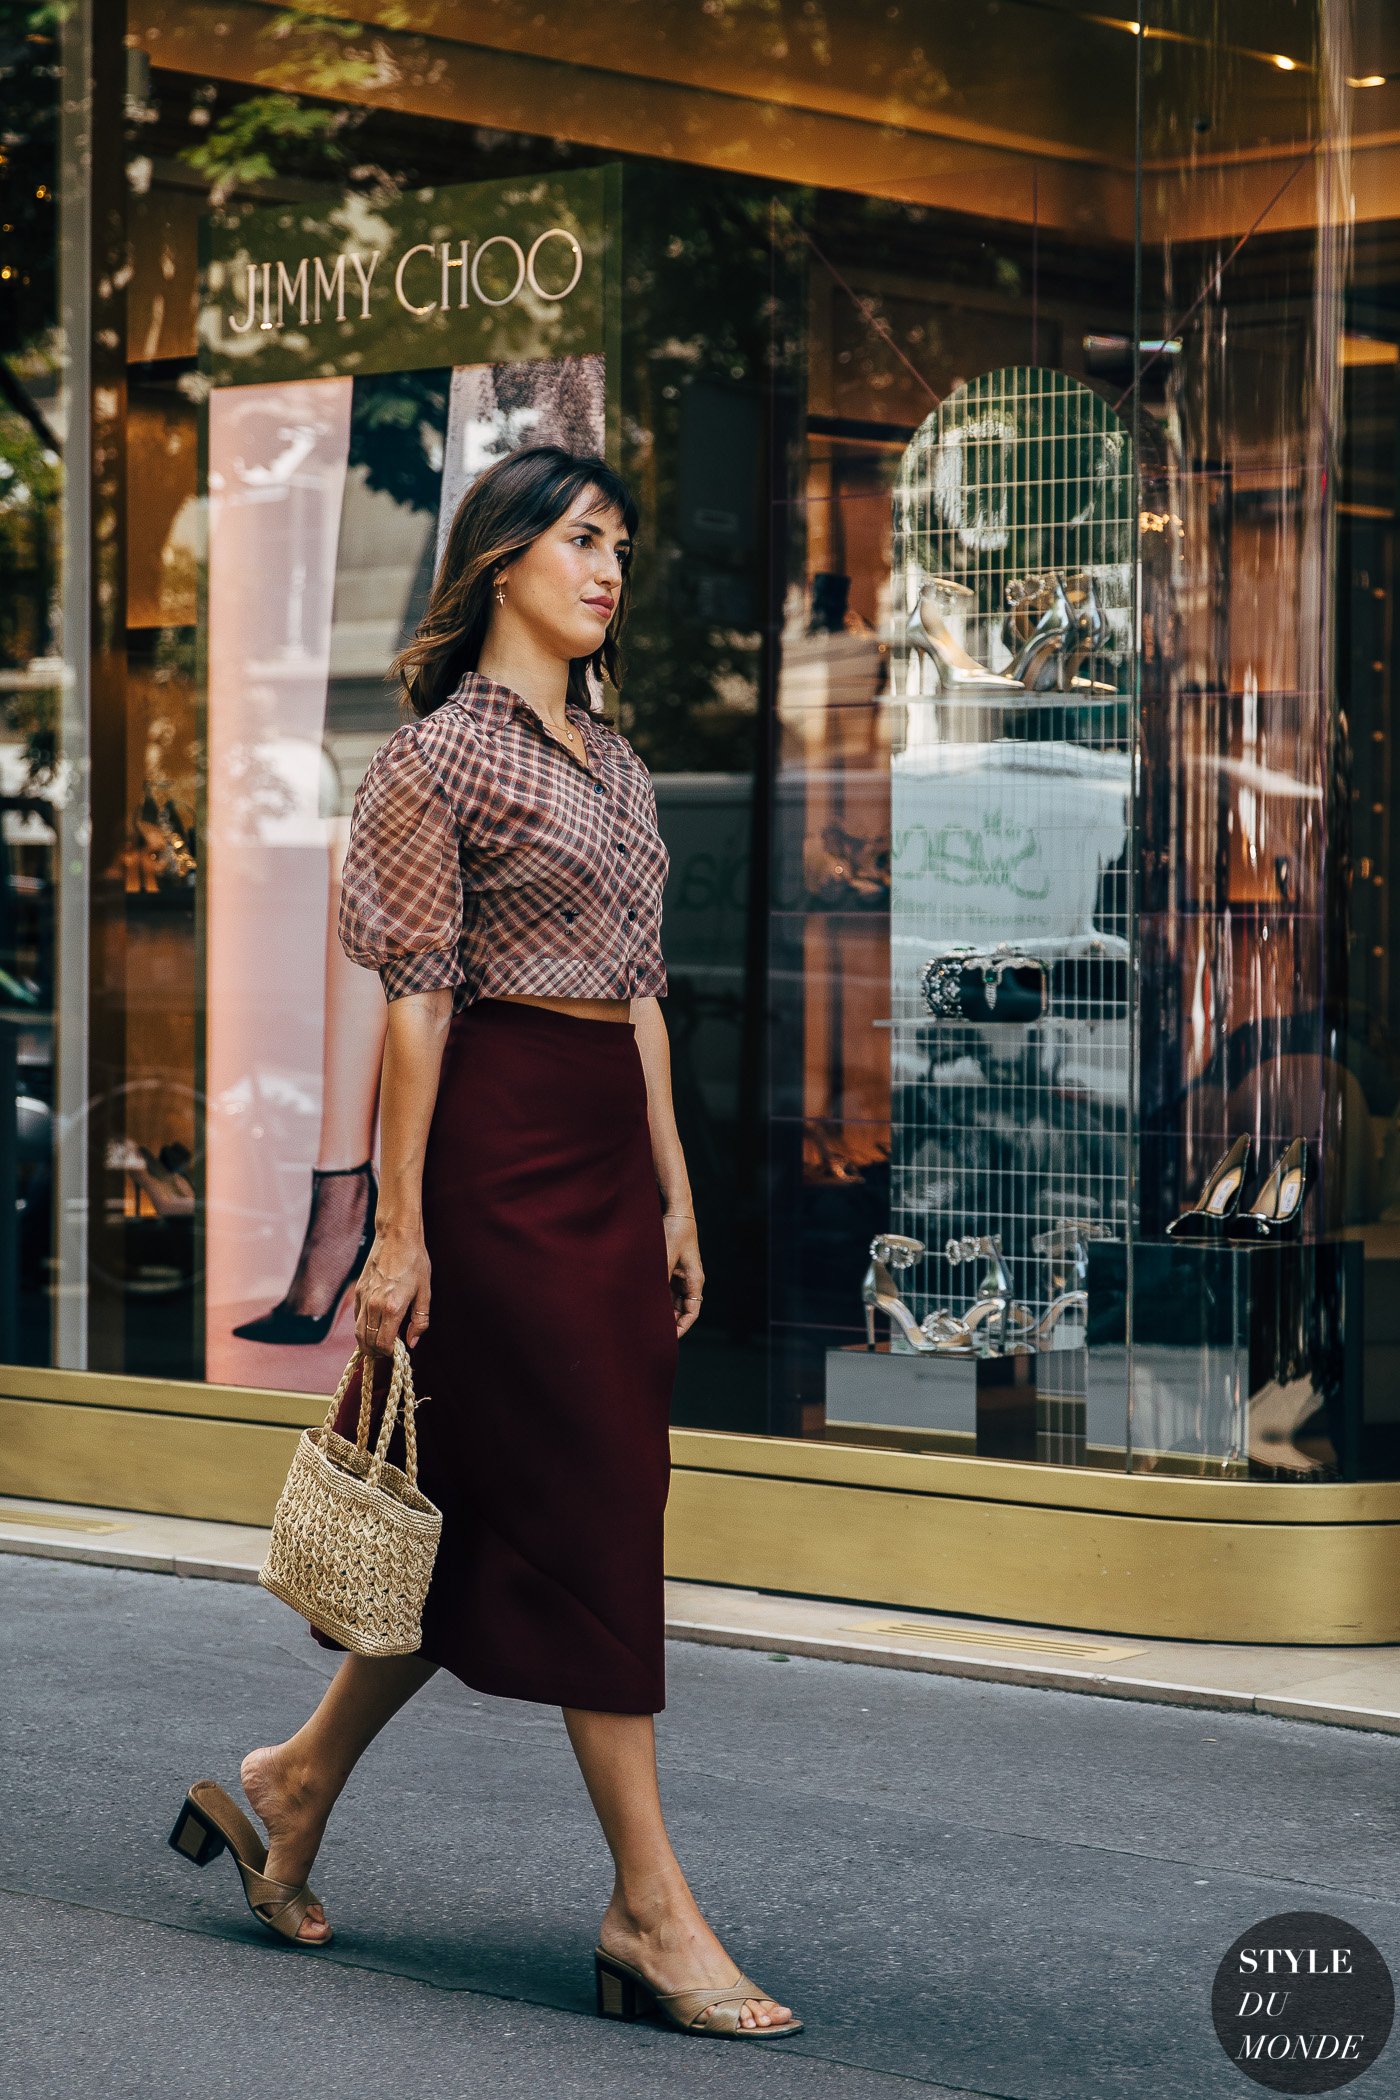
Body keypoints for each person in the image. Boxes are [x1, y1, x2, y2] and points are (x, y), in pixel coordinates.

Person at [170, 444, 802, 2043]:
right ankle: (649, 1908)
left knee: (499, 1509)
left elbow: (643, 990)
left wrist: (673, 1186)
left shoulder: (618, 757)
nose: (612, 568)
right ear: (504, 558)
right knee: (593, 1501)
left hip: (601, 1139)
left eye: (626, 547)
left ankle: (293, 1783)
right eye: (583, 539)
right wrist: (395, 1230)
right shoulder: (434, 761)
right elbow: (418, 1003)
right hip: (495, 1146)